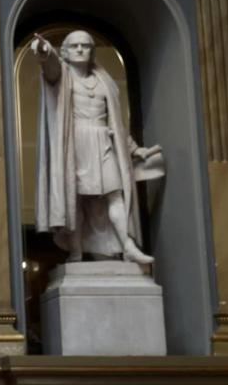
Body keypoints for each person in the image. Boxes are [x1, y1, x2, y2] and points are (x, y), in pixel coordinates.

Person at [31, 30, 156, 264]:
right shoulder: (62, 76)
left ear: (92, 51)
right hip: (75, 145)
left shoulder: (104, 80)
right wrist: (44, 51)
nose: (80, 49)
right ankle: (76, 250)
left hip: (104, 142)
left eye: (86, 46)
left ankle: (127, 246)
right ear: (65, 52)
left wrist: (134, 149)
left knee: (115, 194)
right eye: (75, 46)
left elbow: (116, 122)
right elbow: (50, 67)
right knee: (75, 199)